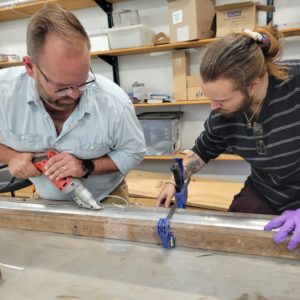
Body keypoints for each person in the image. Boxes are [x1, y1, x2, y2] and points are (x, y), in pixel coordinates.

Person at [157, 25, 300, 250]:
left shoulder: (295, 88)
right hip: (266, 191)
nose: (214, 107)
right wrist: (174, 180)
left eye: (221, 100)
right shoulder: (223, 115)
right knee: (231, 243)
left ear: (253, 85)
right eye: (210, 98)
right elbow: (202, 151)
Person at [0, 3, 146, 203]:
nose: (76, 95)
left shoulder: (114, 102)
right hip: (45, 200)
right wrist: (10, 156)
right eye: (62, 87)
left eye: (83, 81)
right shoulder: (4, 93)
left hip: (105, 196)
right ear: (30, 68)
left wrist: (86, 166)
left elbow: (134, 152)